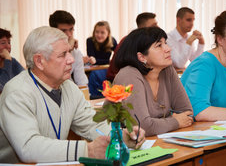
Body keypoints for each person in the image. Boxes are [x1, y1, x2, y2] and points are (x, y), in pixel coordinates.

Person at [0, 26, 145, 163]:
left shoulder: (69, 87)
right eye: (63, 55)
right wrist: (86, 150)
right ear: (39, 61)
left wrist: (120, 137)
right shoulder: (16, 92)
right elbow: (28, 147)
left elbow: (92, 124)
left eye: (69, 52)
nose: (72, 59)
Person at [113, 27, 193, 136]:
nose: (168, 48)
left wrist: (159, 124)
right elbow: (142, 127)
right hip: (123, 146)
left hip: (159, 140)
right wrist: (175, 121)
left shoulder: (167, 70)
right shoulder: (128, 75)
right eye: (159, 46)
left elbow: (187, 113)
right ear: (141, 57)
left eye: (165, 43)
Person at [106, 12, 158, 82]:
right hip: (119, 81)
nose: (158, 27)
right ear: (142, 28)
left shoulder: (150, 42)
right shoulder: (129, 41)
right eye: (154, 26)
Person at [49, 10, 89, 87]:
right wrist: (67, 49)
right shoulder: (46, 50)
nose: (69, 35)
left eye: (71, 29)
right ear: (53, 31)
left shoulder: (76, 52)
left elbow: (82, 82)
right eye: (63, 31)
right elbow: (57, 78)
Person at [86, 21, 117, 98]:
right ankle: (96, 96)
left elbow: (118, 55)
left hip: (106, 68)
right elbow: (92, 60)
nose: (99, 35)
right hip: (94, 69)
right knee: (96, 74)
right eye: (97, 32)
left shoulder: (112, 41)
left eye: (102, 32)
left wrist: (100, 61)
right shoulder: (90, 40)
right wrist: (108, 61)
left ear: (108, 33)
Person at [0, 28, 24, 93]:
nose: (8, 46)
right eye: (3, 43)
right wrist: (7, 60)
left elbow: (26, 78)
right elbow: (4, 88)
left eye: (9, 42)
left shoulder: (12, 61)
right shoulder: (9, 60)